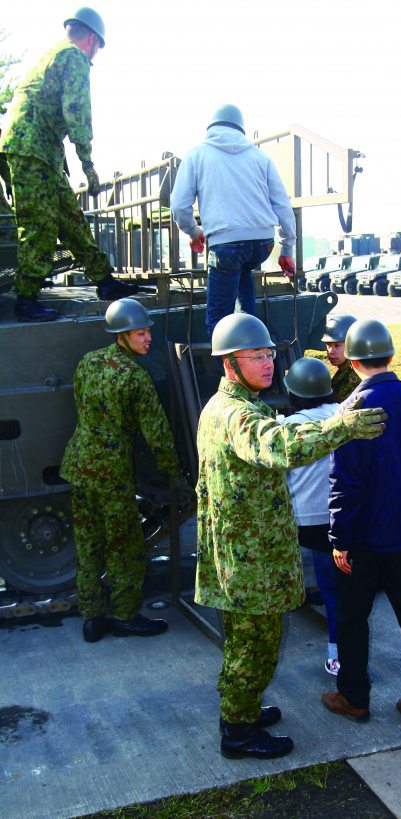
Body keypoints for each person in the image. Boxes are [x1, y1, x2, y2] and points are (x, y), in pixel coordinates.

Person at [195, 312, 387, 760]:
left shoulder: (238, 406)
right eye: (256, 356)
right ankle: (238, 734)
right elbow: (279, 446)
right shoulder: (237, 415)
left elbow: (280, 433)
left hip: (247, 552)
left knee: (252, 643)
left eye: (269, 355)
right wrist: (343, 427)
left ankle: (238, 711)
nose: (268, 364)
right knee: (254, 646)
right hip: (248, 561)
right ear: (229, 364)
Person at [322, 318, 401, 728]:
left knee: (353, 618)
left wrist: (339, 539)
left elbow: (344, 482)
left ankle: (354, 697)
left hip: (364, 540)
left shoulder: (350, 410)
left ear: (353, 363)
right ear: (391, 356)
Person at [60, 298, 195, 642]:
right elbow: (157, 433)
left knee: (89, 544)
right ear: (123, 335)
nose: (148, 338)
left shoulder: (87, 362)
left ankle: (92, 618)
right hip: (110, 472)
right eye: (140, 333)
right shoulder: (135, 375)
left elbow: (80, 404)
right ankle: (124, 615)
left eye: (148, 331)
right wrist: (176, 473)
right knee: (125, 546)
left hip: (78, 464)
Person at [0, 8, 138, 323]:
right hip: (30, 149)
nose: (95, 55)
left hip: (41, 151)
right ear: (92, 39)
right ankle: (26, 298)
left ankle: (104, 281)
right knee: (41, 224)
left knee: (71, 219)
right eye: (98, 49)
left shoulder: (53, 54)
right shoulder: (73, 57)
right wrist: (88, 164)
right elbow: (76, 110)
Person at [170, 104, 297, 340]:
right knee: (243, 272)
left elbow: (179, 207)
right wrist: (287, 248)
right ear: (241, 129)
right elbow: (282, 205)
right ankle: (251, 331)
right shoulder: (261, 158)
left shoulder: (196, 155)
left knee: (217, 323)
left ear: (211, 128)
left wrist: (194, 232)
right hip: (262, 245)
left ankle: (230, 373)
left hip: (226, 245)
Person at [282, 357, 341, 675]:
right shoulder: (344, 413)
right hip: (347, 517)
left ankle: (338, 654)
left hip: (311, 523)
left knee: (331, 590)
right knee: (345, 589)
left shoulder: (289, 427)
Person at [321, 313, 360, 401]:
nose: (331, 351)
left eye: (337, 345)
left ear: (352, 344)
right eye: (328, 345)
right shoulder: (344, 370)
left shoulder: (355, 377)